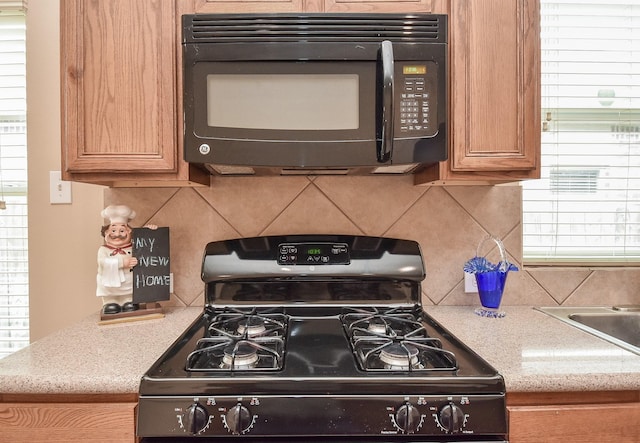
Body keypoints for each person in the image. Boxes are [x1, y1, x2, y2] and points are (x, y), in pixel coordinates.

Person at [97, 205, 154, 315]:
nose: (117, 234)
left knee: (129, 299)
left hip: (128, 285)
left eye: (122, 230)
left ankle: (128, 301)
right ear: (106, 233)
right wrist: (123, 263)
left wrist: (150, 232)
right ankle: (110, 302)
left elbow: (147, 247)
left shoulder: (134, 247)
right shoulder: (103, 250)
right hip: (109, 288)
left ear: (129, 232)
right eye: (113, 230)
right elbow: (102, 263)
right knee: (111, 301)